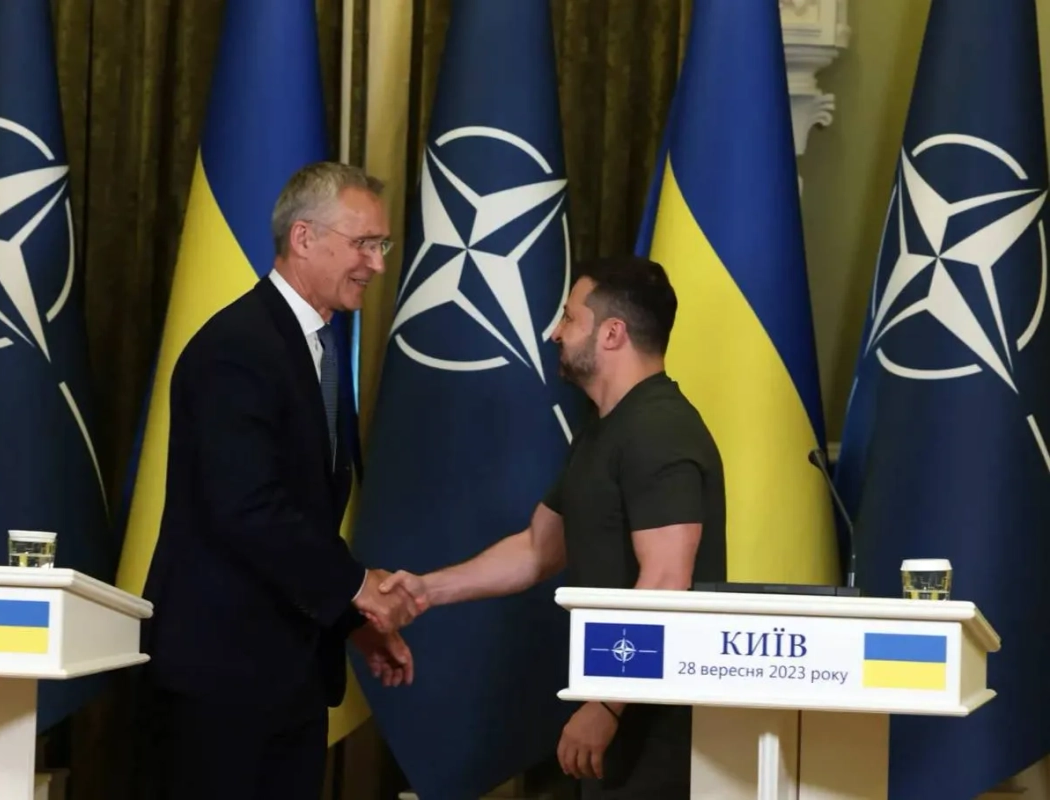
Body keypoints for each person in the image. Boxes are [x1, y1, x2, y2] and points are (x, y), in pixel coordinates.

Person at [380, 255, 727, 799]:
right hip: (619, 714)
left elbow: (666, 579)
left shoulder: (661, 429)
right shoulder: (604, 430)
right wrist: (425, 590)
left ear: (612, 333)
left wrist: (606, 703)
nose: (554, 332)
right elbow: (537, 549)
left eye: (569, 317)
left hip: (656, 728)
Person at [139, 162, 421, 799]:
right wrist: (356, 587)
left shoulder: (316, 346)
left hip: (287, 676)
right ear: (303, 237)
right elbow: (248, 507)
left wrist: (351, 619)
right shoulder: (237, 347)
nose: (378, 264)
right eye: (364, 243)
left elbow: (303, 510)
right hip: (222, 678)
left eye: (381, 245)